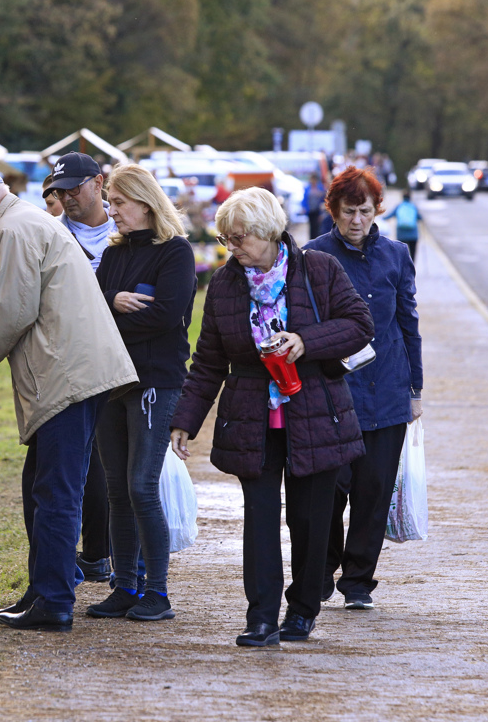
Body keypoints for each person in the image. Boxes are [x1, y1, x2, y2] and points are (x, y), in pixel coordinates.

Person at [169, 187, 374, 647]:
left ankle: (302, 609)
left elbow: (360, 324)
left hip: (317, 414)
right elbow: (208, 360)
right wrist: (185, 419)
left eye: (239, 238)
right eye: (226, 239)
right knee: (259, 519)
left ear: (268, 232)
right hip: (250, 420)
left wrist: (306, 341)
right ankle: (260, 617)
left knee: (309, 521)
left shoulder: (319, 268)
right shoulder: (225, 283)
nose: (232, 248)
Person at [0, 167, 137, 631]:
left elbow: (13, 315)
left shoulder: (13, 230)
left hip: (65, 376)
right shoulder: (25, 222)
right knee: (43, 487)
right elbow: (12, 307)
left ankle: (53, 601)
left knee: (55, 492)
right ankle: (42, 591)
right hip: (70, 372)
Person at [306, 167, 423, 610]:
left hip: (388, 386)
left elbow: (409, 323)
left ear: (378, 210)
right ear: (333, 211)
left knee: (374, 491)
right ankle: (319, 572)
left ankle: (358, 580)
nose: (357, 220)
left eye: (365, 211)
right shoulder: (313, 255)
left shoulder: (396, 255)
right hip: (334, 391)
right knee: (330, 490)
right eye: (348, 211)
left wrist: (415, 390)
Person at [90, 164, 196, 622]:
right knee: (116, 489)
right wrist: (113, 301)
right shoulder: (113, 256)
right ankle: (124, 585)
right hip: (113, 381)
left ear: (147, 203)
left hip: (155, 381)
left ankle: (158, 592)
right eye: (110, 203)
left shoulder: (175, 252)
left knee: (140, 486)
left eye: (120, 203)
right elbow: (90, 310)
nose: (112, 212)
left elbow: (167, 316)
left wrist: (111, 314)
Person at [39, 151, 116, 581]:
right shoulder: (52, 234)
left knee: (114, 461)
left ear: (98, 183)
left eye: (74, 188)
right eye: (59, 191)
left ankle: (108, 553)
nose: (66, 197)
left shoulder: (126, 229)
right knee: (75, 462)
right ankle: (85, 554)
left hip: (121, 356)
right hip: (68, 357)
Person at [381, 189, 422, 261]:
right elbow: (420, 218)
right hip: (413, 235)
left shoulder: (399, 206)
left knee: (401, 253)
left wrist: (381, 218)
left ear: (402, 197)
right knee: (413, 253)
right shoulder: (413, 206)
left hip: (401, 234)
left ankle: (403, 269)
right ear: (410, 197)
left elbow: (389, 215)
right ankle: (412, 268)